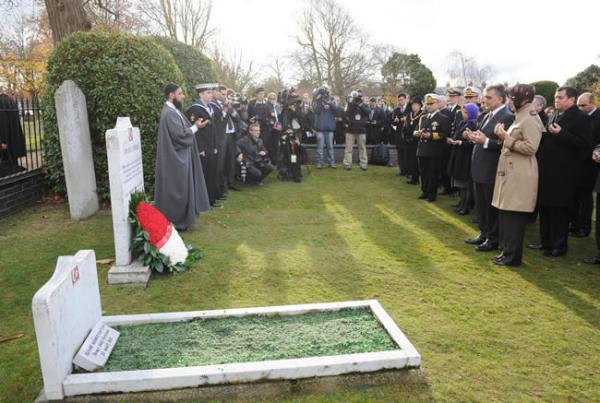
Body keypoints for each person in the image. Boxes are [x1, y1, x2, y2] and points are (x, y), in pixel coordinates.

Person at [528, 86, 591, 257]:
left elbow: (584, 145)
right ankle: (545, 242)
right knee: (545, 206)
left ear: (572, 99)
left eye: (560, 97)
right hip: (546, 170)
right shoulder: (554, 114)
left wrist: (562, 133)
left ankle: (559, 246)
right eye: (556, 97)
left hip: (564, 173)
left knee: (559, 210)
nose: (556, 100)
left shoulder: (581, 118)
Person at [491, 84, 543, 266]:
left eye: (512, 98)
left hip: (519, 173)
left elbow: (531, 148)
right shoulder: (521, 115)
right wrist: (502, 136)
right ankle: (506, 252)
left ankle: (512, 257)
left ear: (524, 99)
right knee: (506, 214)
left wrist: (506, 138)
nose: (509, 102)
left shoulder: (530, 118)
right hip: (511, 171)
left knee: (513, 216)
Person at [464, 84, 514, 252]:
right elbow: (483, 137)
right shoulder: (487, 115)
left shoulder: (507, 117)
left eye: (488, 97)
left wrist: (485, 141)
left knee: (490, 206)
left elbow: (505, 144)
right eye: (484, 97)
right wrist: (472, 137)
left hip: (491, 169)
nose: (484, 100)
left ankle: (493, 239)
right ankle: (484, 233)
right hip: (480, 167)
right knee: (481, 204)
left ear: (500, 99)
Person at [154, 83, 210, 231]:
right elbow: (179, 136)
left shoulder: (174, 110)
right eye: (180, 93)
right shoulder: (169, 113)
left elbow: (181, 131)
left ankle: (184, 217)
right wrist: (196, 127)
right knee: (179, 189)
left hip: (180, 155)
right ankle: (178, 220)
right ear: (171, 95)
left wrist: (194, 126)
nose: (183, 96)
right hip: (176, 159)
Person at [569, 92, 600, 237]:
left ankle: (584, 227)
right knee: (574, 195)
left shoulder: (598, 117)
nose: (580, 108)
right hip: (576, 161)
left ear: (593, 103)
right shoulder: (578, 117)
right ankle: (574, 224)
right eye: (578, 105)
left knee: (585, 197)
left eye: (583, 105)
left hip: (591, 164)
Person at [186, 83, 220, 207]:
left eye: (211, 92)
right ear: (200, 94)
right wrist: (200, 148)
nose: (211, 95)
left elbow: (213, 129)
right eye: (208, 93)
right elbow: (194, 131)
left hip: (210, 147)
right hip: (202, 148)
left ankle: (210, 200)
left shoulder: (210, 107)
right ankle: (201, 201)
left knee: (211, 174)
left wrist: (215, 145)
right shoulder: (194, 109)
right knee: (202, 175)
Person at [415, 94, 450, 202]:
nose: (429, 106)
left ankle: (431, 194)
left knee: (432, 173)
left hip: (434, 150)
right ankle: (424, 191)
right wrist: (417, 133)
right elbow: (416, 129)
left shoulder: (443, 118)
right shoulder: (423, 117)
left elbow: (444, 134)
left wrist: (430, 135)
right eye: (427, 104)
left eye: (431, 104)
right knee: (423, 172)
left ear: (437, 104)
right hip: (422, 149)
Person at [447, 103, 478, 215]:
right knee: (459, 182)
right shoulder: (462, 123)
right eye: (463, 112)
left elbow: (473, 143)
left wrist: (460, 142)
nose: (463, 114)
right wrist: (452, 139)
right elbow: (456, 135)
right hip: (458, 154)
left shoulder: (473, 125)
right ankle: (461, 202)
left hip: (466, 156)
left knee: (466, 183)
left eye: (466, 112)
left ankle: (466, 206)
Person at [313, 86, 341, 169]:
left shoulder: (332, 99)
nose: (325, 94)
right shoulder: (317, 100)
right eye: (323, 93)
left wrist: (330, 103)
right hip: (320, 129)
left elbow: (338, 111)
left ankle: (331, 163)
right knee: (320, 148)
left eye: (326, 92)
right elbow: (316, 111)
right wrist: (319, 101)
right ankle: (319, 163)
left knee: (330, 147)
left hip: (329, 129)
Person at [0, 91, 26, 176]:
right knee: (13, 163)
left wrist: (2, 141)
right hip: (14, 138)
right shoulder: (10, 100)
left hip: (5, 140)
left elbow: (3, 123)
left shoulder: (2, 102)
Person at [343, 90, 370, 171]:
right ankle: (347, 164)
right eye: (356, 97)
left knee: (362, 148)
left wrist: (360, 105)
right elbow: (346, 114)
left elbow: (368, 112)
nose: (357, 99)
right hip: (350, 130)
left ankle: (363, 164)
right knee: (348, 148)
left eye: (359, 97)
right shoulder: (350, 104)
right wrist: (352, 104)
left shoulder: (364, 105)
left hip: (361, 130)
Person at [402, 97, 424, 185]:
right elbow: (405, 127)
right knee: (409, 159)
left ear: (420, 105)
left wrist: (413, 138)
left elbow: (421, 129)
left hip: (416, 141)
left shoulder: (422, 115)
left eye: (415, 104)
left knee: (415, 161)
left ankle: (416, 178)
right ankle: (412, 176)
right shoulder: (409, 115)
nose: (413, 106)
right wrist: (405, 137)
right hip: (408, 140)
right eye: (412, 105)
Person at [392, 93, 410, 176]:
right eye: (399, 100)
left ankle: (408, 171)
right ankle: (402, 170)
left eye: (401, 100)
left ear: (405, 99)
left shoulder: (410, 109)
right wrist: (395, 121)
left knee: (407, 153)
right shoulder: (396, 110)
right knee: (400, 153)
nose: (400, 102)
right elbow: (393, 122)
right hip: (399, 134)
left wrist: (406, 119)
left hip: (407, 134)